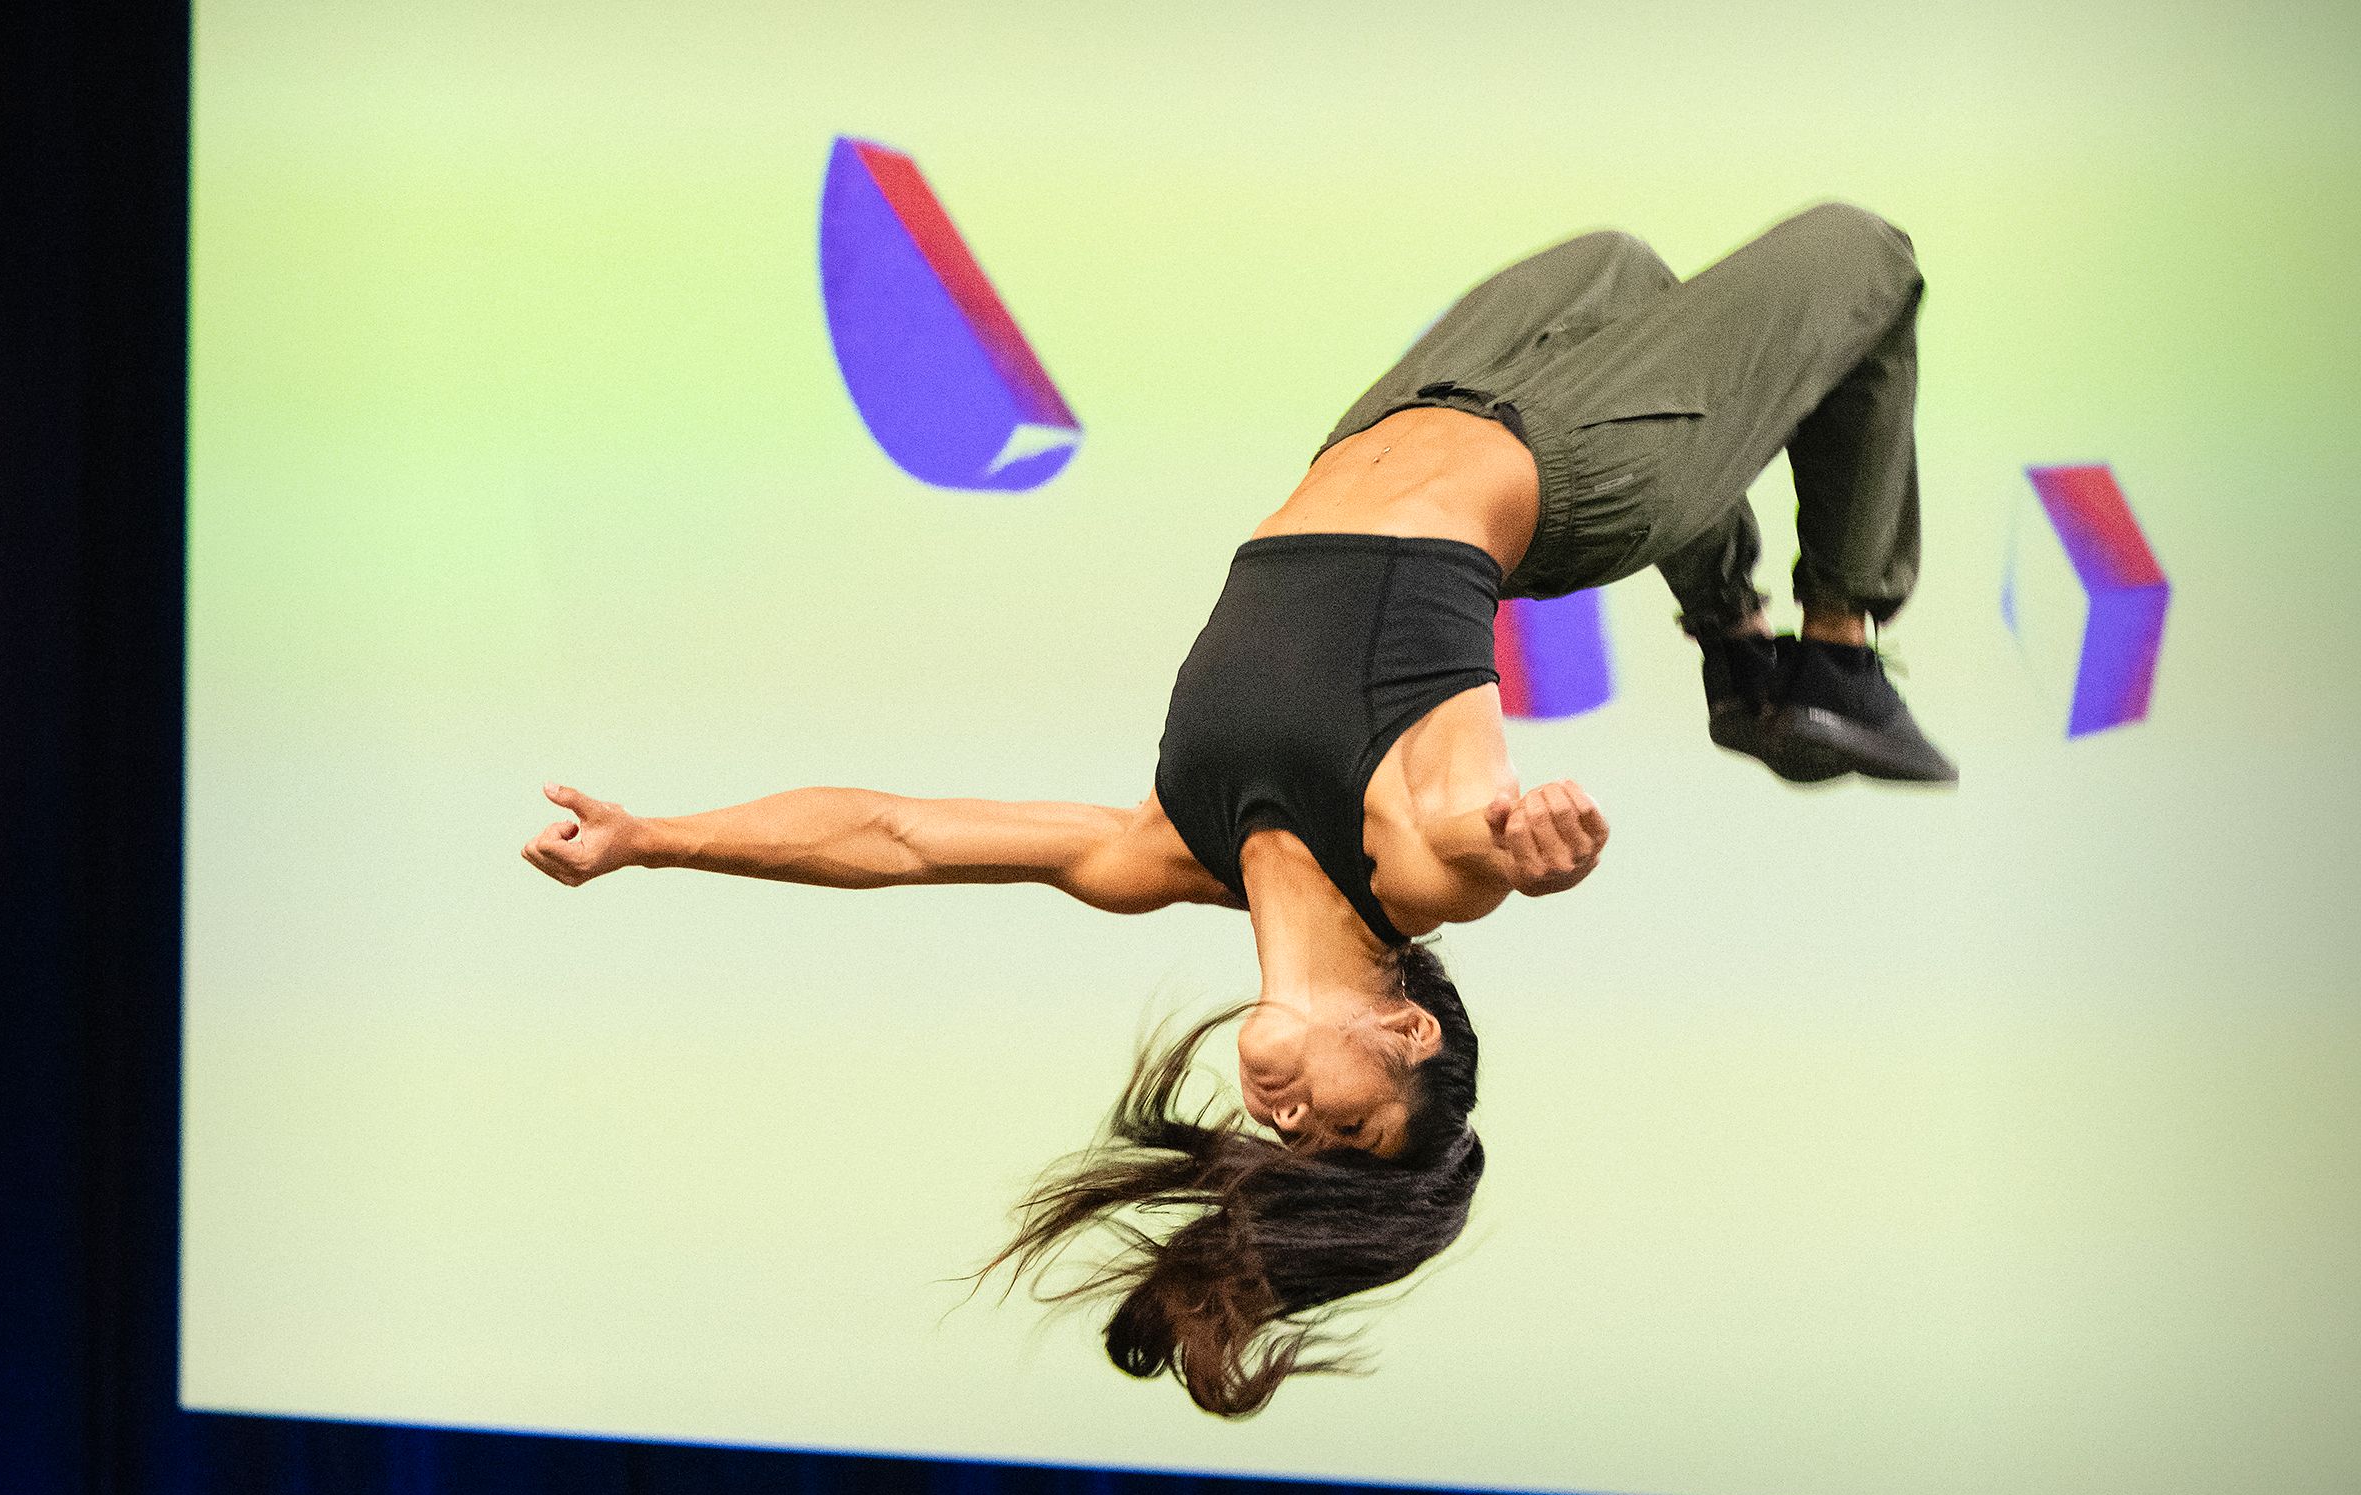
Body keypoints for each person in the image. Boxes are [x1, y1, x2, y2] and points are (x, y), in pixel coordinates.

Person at [523, 202, 1952, 1416]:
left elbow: (895, 835)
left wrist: (658, 839)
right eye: (1340, 1131)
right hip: (1573, 477)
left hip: (1407, 426)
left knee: (1620, 270)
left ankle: (1755, 649)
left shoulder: (1163, 851)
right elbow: (1487, 837)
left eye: (1282, 1154)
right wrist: (1538, 856)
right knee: (1860, 257)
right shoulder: (1428, 862)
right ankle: (1823, 655)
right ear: (1406, 1029)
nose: (1281, 1122)